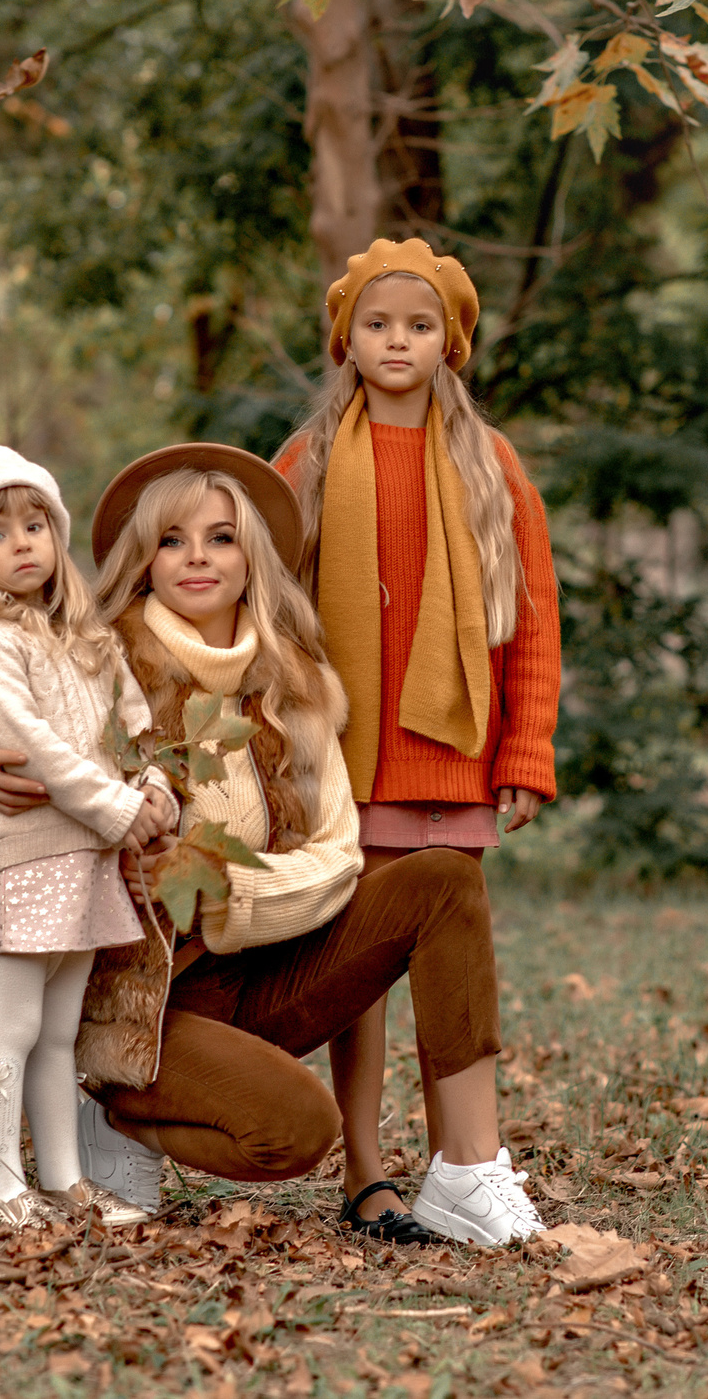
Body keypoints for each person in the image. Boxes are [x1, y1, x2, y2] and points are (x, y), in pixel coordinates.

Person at [0, 444, 545, 1246]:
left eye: (220, 537)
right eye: (173, 539)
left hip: (266, 964)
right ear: (143, 558)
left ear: (252, 553)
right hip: (148, 1005)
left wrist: (231, 893)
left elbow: (338, 852)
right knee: (292, 1131)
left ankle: (467, 1168)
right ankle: (122, 1118)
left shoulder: (300, 683)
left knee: (443, 877)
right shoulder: (96, 652)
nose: (197, 558)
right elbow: (12, 724)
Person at [273, 237, 561, 1238]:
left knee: (450, 962)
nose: (398, 340)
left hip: (451, 759)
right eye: (377, 323)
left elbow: (531, 615)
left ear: (453, 344)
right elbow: (255, 614)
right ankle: (364, 1171)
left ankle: (463, 1164)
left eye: (420, 324)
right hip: (342, 764)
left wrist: (525, 751)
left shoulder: (489, 462)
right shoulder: (305, 464)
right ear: (345, 340)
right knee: (357, 972)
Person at [0, 447, 177, 1231]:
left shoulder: (85, 637)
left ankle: (65, 1179)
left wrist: (155, 787)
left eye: (36, 525)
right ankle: (1, 1183)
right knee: (13, 1023)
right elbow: (29, 744)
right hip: (25, 854)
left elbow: (135, 726)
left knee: (60, 1030)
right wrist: (115, 808)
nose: (22, 543)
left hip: (90, 859)